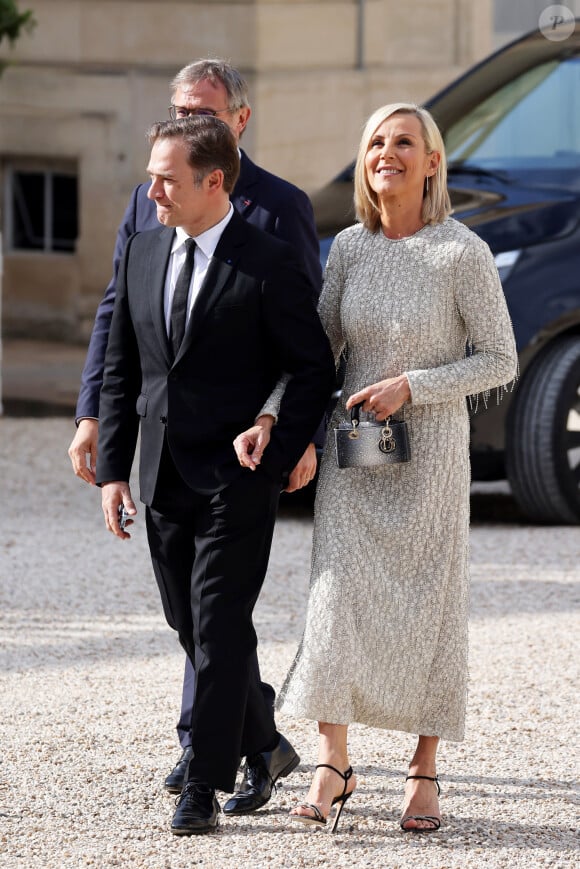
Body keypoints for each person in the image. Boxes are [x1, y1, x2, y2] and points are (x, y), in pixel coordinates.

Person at [235, 102, 518, 833]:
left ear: (431, 163)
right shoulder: (352, 249)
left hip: (430, 468)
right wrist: (273, 416)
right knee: (336, 605)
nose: (386, 153)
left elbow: (500, 358)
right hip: (354, 460)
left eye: (403, 142)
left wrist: (413, 386)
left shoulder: (462, 252)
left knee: (430, 610)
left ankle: (423, 766)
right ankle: (334, 761)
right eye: (375, 143)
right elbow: (316, 350)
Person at [68, 58, 323, 804]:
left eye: (168, 175)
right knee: (189, 617)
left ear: (224, 158)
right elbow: (121, 351)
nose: (152, 193)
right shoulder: (148, 236)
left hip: (241, 468)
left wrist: (284, 441)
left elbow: (307, 357)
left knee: (217, 621)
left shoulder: (275, 233)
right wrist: (111, 457)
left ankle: (202, 782)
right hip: (162, 466)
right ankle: (263, 739)